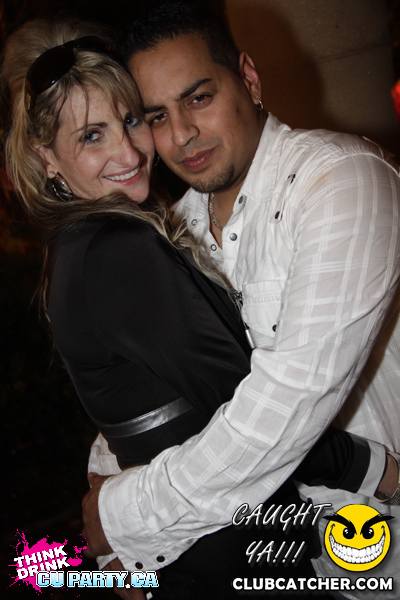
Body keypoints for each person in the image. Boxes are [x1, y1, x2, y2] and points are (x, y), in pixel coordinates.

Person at [2, 13, 397, 600]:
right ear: (47, 158)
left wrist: (124, 519)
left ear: (249, 79)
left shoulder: (340, 180)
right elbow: (168, 380)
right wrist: (112, 475)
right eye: (157, 115)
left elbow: (284, 399)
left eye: (198, 98)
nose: (179, 135)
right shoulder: (166, 228)